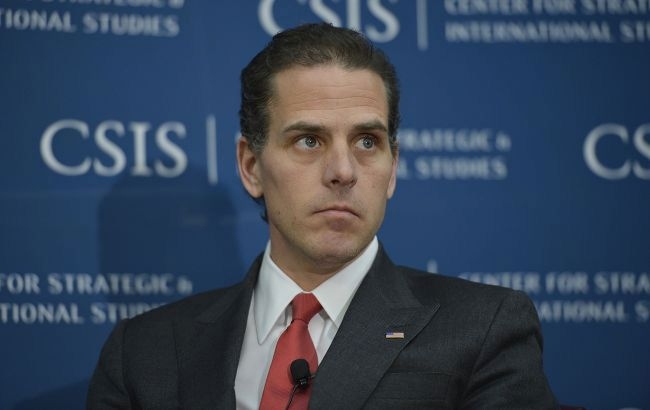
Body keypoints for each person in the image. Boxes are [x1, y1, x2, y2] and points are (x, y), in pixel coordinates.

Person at [87, 23, 558, 409]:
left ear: (392, 168)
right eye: (309, 141)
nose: (343, 171)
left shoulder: (483, 329)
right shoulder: (144, 352)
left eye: (367, 142)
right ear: (251, 167)